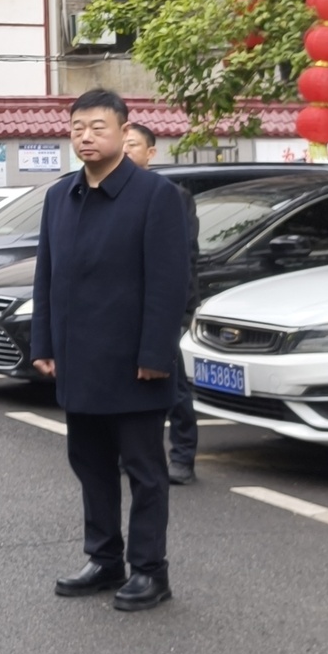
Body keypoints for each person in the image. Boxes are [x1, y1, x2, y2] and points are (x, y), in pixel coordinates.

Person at [34, 91, 190, 613]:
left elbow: (170, 284)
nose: (85, 136)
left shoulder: (154, 195)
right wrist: (44, 343)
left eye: (97, 126)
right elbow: (47, 277)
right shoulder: (61, 196)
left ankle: (151, 570)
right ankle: (104, 558)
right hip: (79, 361)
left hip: (134, 363)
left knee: (144, 472)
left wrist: (155, 354)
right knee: (90, 464)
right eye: (77, 127)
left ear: (124, 132)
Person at [123, 121, 200, 484]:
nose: (125, 151)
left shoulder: (171, 195)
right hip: (125, 308)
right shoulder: (110, 193)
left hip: (165, 308)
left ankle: (182, 456)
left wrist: (174, 311)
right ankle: (136, 454)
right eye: (121, 144)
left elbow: (179, 259)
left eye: (133, 145)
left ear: (151, 153)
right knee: (128, 383)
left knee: (174, 383)